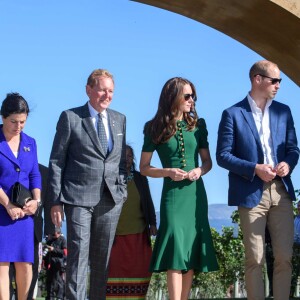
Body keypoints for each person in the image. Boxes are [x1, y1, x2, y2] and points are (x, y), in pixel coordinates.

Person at [216, 60, 300, 300]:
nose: (278, 86)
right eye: (274, 81)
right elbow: (223, 156)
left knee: (284, 256)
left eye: (280, 81)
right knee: (255, 258)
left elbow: (293, 149)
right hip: (251, 192)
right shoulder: (232, 114)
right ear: (257, 79)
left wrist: (288, 163)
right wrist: (254, 168)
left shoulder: (284, 111)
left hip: (281, 191)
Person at [47, 69, 127, 300]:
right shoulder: (70, 117)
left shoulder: (119, 119)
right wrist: (55, 201)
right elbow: (56, 162)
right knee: (78, 260)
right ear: (88, 89)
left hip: (110, 200)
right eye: (102, 89)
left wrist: (121, 191)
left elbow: (121, 162)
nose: (107, 95)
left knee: (102, 263)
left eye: (111, 91)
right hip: (77, 199)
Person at [139, 77, 219, 300]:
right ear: (172, 97)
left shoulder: (198, 125)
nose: (191, 100)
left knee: (191, 248)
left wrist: (199, 171)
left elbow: (207, 162)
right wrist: (168, 172)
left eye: (193, 96)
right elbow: (143, 168)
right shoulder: (154, 128)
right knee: (175, 245)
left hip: (195, 194)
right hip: (172, 196)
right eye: (187, 95)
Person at [0, 93, 42, 300]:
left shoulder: (30, 143)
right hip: (1, 212)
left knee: (25, 264)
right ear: (2, 117)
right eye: (13, 121)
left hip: (25, 215)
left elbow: (34, 174)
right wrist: (7, 205)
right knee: (2, 265)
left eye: (23, 122)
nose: (18, 126)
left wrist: (36, 202)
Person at [106, 144, 157, 299]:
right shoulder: (109, 177)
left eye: (129, 156)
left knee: (140, 270)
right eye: (123, 156)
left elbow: (148, 200)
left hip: (139, 235)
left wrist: (153, 223)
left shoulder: (140, 177)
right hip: (115, 236)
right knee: (114, 272)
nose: (127, 159)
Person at [43, 227, 67, 300]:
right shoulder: (50, 241)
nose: (53, 235)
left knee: (59, 281)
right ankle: (50, 297)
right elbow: (45, 253)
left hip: (59, 264)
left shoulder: (63, 240)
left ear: (58, 233)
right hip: (50, 264)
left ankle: (60, 297)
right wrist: (44, 259)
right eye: (52, 234)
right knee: (49, 281)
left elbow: (65, 252)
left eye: (55, 234)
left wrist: (54, 249)